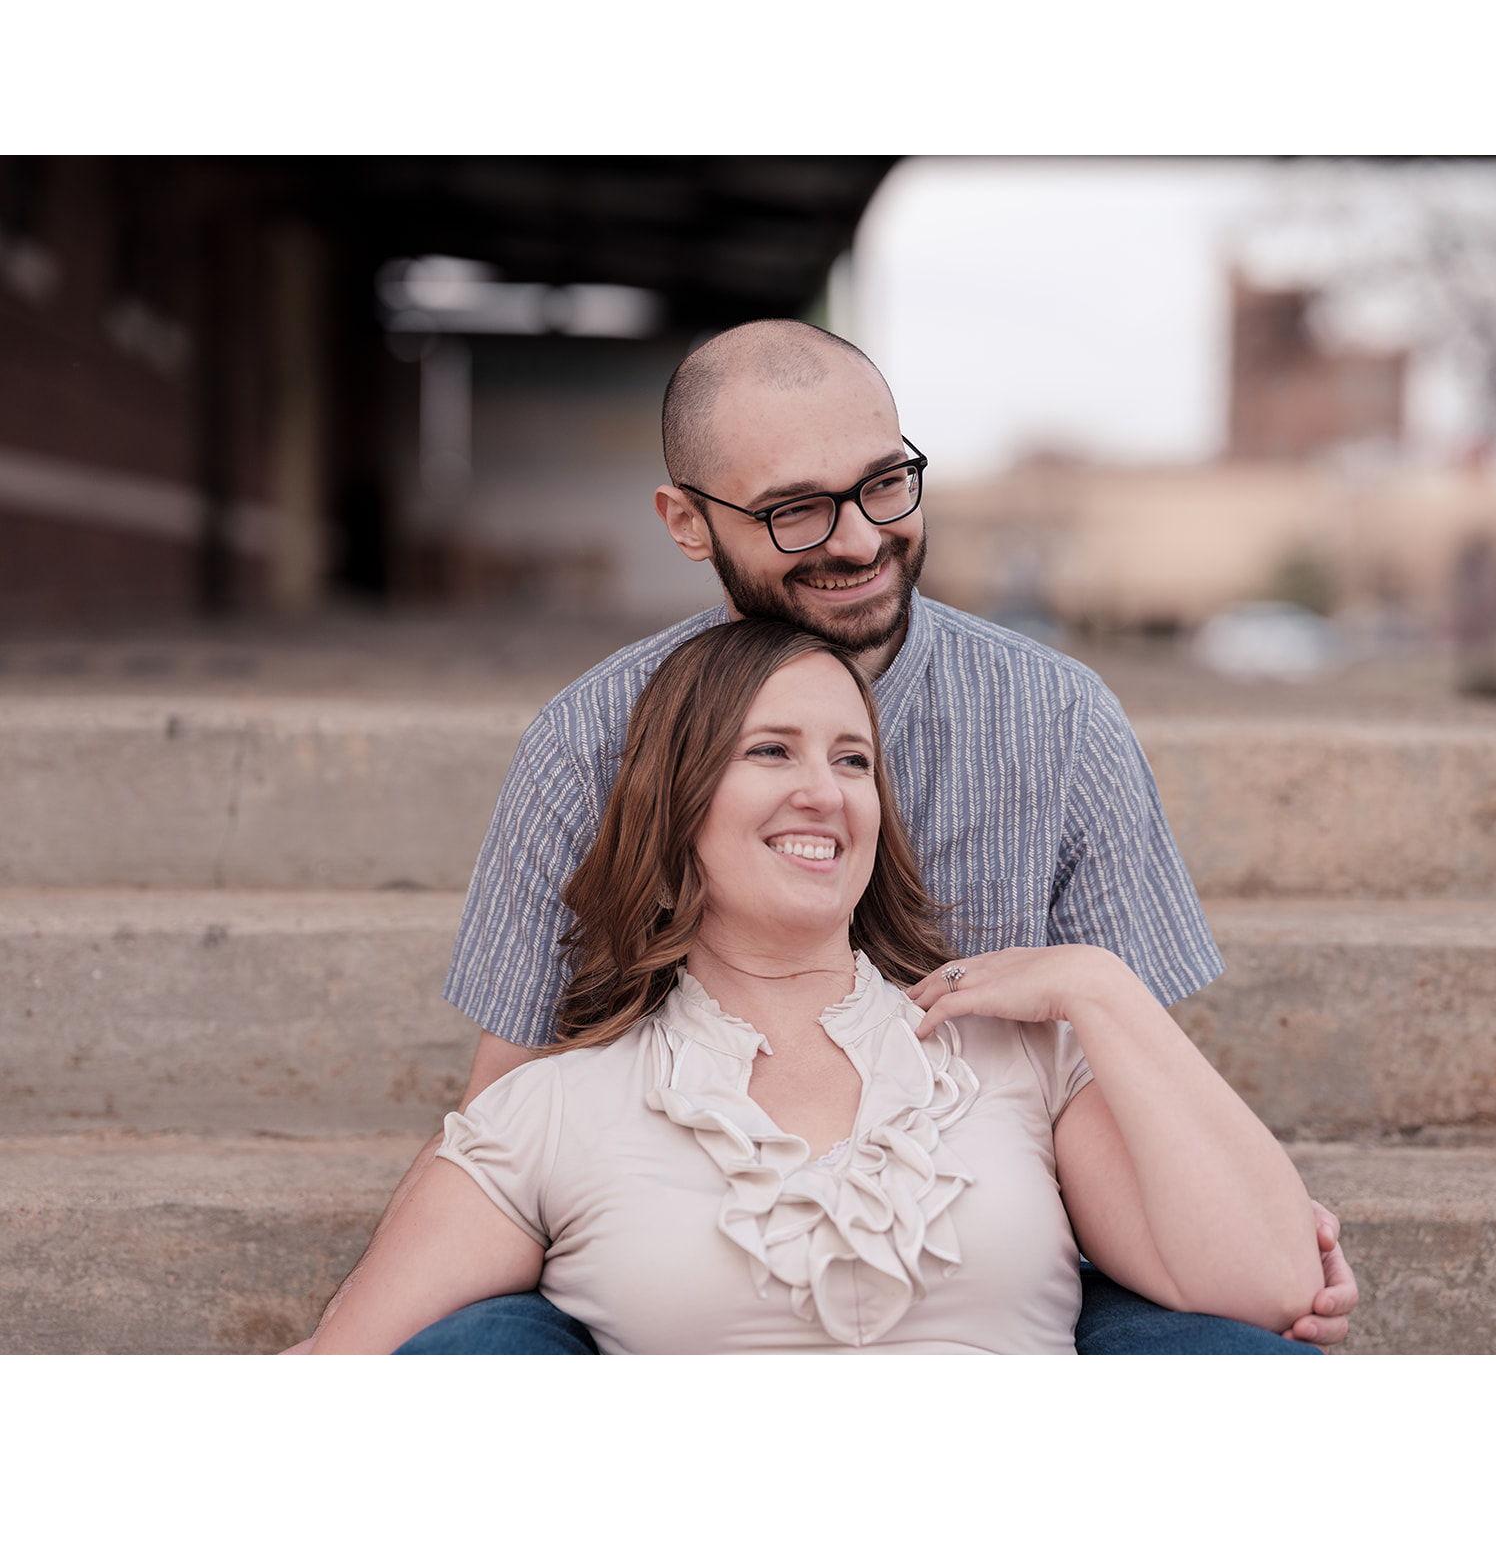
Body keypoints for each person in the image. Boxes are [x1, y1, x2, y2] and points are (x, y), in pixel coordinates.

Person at [289, 318, 1358, 1354]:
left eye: (884, 483)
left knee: (1232, 1350)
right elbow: (513, 1108)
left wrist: (1245, 1217)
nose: (858, 538)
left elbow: (1141, 1090)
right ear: (687, 522)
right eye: (796, 510)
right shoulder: (589, 740)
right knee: (470, 1346)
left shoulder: (1058, 719)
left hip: (1009, 1218)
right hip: (674, 1226)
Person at [310, 620, 1326, 1353]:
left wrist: (1100, 987)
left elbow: (1269, 1284)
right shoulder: (552, 1109)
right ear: (677, 805)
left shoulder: (1015, 1059)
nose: (824, 792)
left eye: (853, 760)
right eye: (770, 752)